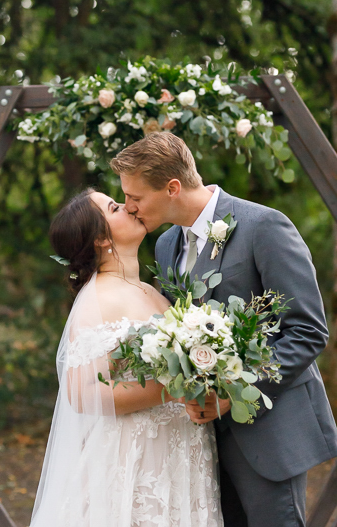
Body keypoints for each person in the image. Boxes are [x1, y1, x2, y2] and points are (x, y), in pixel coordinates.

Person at [110, 131, 337, 527]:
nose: (129, 207)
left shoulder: (263, 226)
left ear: (172, 187)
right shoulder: (165, 245)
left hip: (269, 432)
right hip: (200, 443)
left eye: (136, 197)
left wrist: (236, 391)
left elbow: (307, 330)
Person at [29, 188, 222, 526]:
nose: (130, 206)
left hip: (181, 451)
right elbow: (82, 392)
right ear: (101, 239)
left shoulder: (150, 291)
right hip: (135, 457)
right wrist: (173, 391)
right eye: (115, 207)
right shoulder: (97, 301)